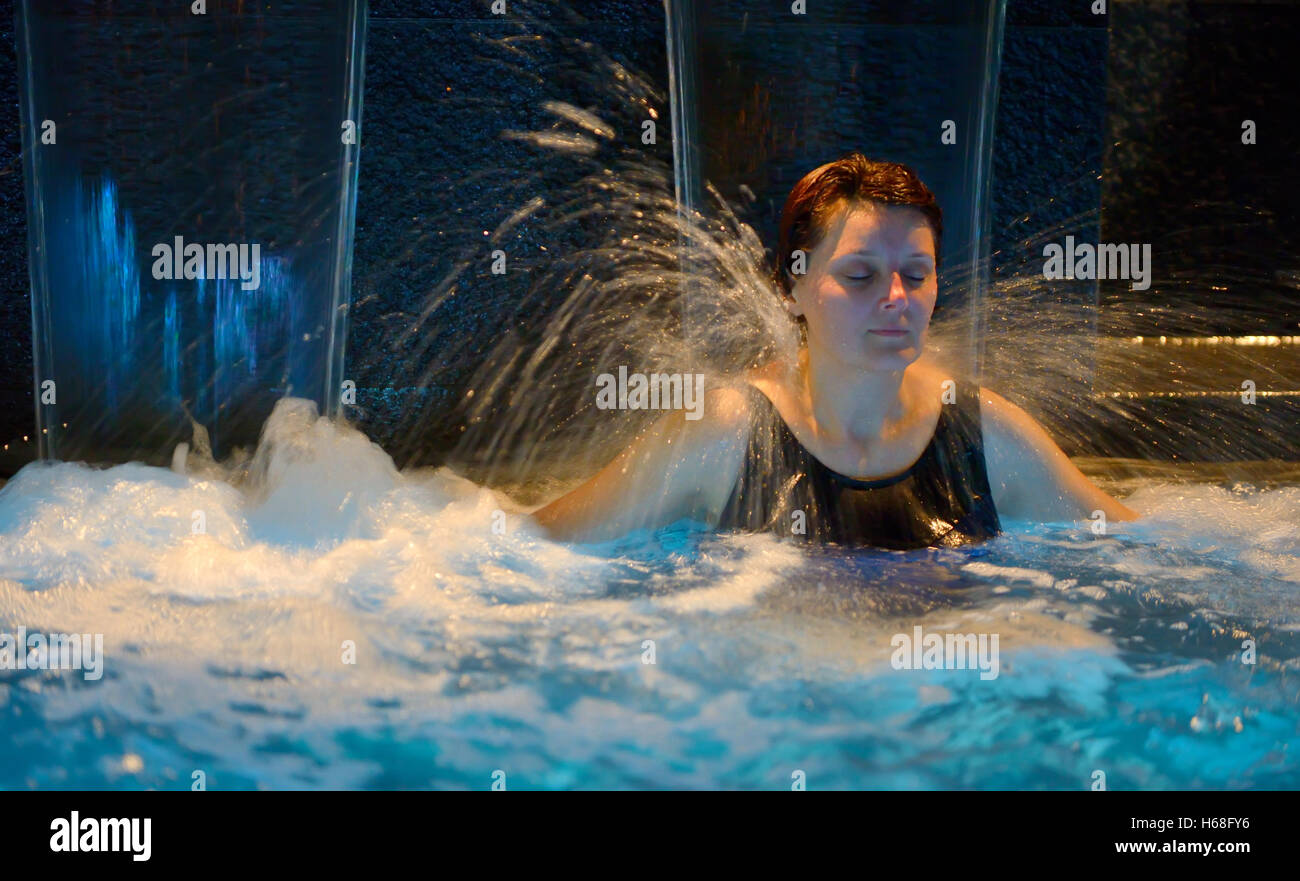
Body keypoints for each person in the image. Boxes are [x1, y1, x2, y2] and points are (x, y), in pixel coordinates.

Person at [532, 153, 1139, 547]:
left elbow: (1152, 546)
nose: (897, 297)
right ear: (791, 287)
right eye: (859, 276)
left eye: (917, 273)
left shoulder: (982, 434)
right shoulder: (727, 432)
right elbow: (532, 549)